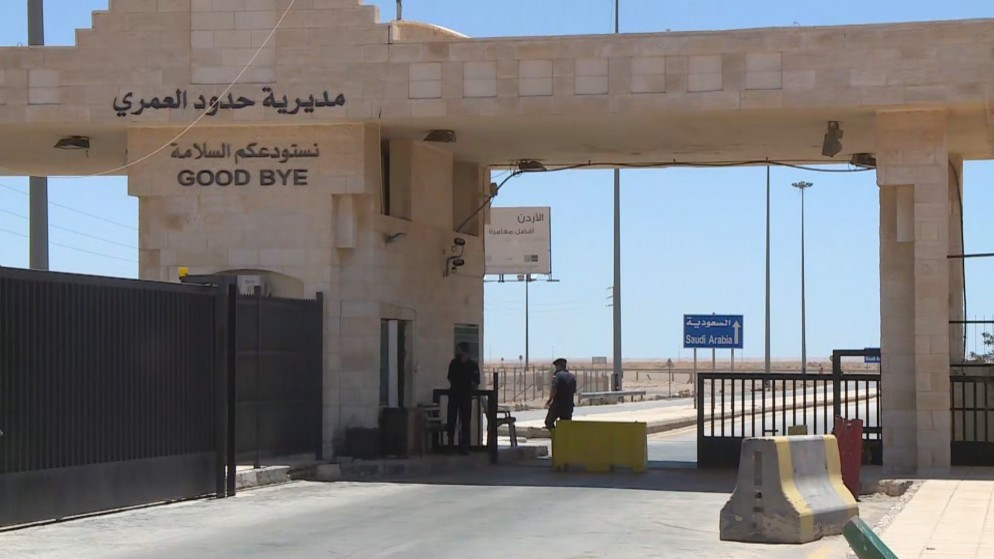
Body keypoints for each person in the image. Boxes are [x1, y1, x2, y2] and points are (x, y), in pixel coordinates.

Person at [446, 342, 480, 455]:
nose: (456, 352)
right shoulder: (453, 364)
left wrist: (469, 386)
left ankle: (464, 446)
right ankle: (450, 445)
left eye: (458, 349)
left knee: (465, 421)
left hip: (466, 397)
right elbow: (450, 378)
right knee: (451, 420)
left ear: (464, 351)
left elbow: (476, 382)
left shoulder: (472, 365)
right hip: (454, 396)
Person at [545, 358, 577, 430]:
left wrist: (550, 399)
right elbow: (574, 390)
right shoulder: (572, 377)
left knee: (549, 422)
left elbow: (554, 389)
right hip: (568, 405)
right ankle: (563, 436)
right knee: (566, 425)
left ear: (559, 366)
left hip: (558, 405)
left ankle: (555, 435)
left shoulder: (557, 376)